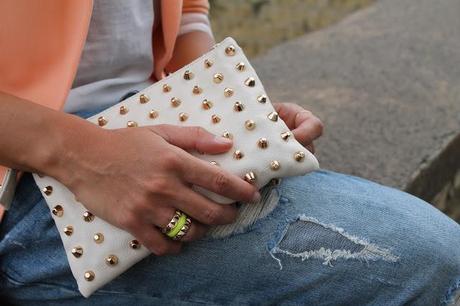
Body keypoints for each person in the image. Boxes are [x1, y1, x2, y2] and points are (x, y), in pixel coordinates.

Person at [0, 1, 459, 305]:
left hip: (149, 125)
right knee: (432, 263)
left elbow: (186, 14)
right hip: (26, 173)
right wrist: (81, 154)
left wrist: (233, 108)